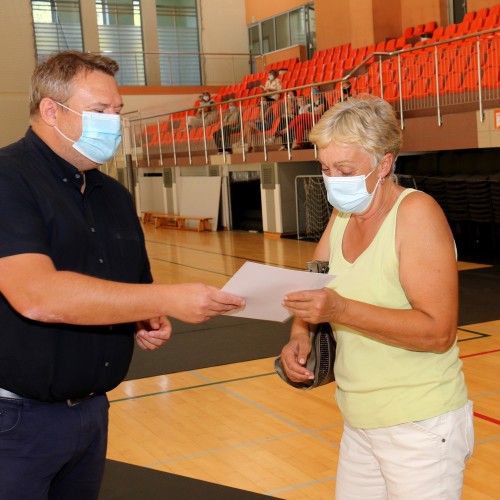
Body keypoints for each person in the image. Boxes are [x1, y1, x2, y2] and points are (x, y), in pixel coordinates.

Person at [0, 51, 244, 500]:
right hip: (15, 422)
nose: (112, 123)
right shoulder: (8, 180)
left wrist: (145, 315)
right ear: (51, 111)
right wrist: (166, 301)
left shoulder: (112, 194)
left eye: (117, 112)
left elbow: (131, 287)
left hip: (91, 414)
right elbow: (36, 294)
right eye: (99, 111)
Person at [279, 94, 472, 499]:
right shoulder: (343, 215)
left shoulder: (417, 214)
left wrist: (341, 310)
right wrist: (300, 331)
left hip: (420, 424)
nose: (334, 179)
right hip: (359, 419)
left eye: (345, 169)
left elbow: (438, 333)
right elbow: (314, 283)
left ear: (384, 163)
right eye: (327, 168)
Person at [279, 86, 329, 150]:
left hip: (319, 119)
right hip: (309, 119)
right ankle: (298, 144)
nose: (314, 90)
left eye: (316, 88)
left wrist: (309, 113)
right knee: (301, 122)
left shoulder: (322, 99)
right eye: (313, 88)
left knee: (303, 116)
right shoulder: (309, 100)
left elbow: (319, 112)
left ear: (319, 89)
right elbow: (304, 110)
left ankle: (286, 130)